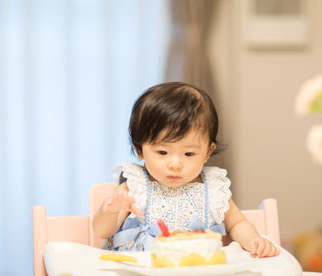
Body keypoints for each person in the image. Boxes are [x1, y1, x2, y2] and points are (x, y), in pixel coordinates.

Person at [93, 82, 279, 258]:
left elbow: (237, 223)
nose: (175, 164)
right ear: (140, 149)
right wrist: (110, 210)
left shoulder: (213, 188)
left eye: (188, 154)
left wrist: (254, 240)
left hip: (197, 273)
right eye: (163, 152)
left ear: (208, 152)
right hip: (142, 272)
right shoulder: (135, 186)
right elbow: (103, 232)